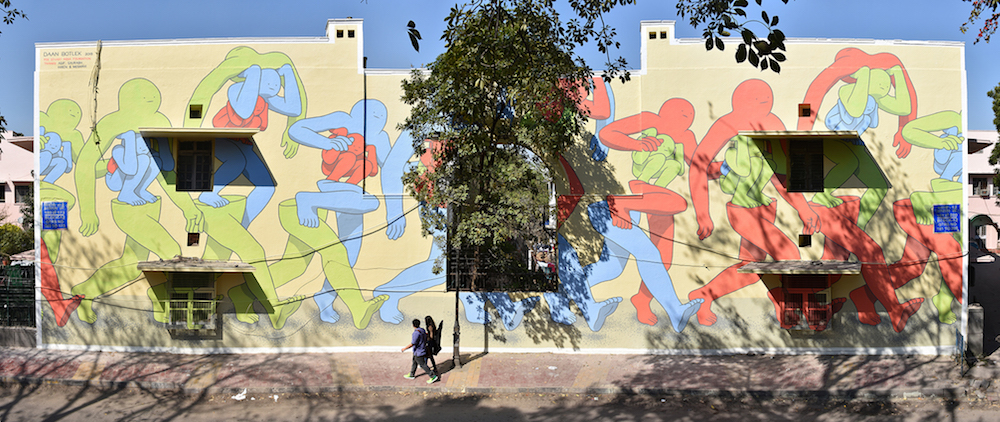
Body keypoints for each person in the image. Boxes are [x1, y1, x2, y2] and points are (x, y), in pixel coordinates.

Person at [402, 319, 439, 383]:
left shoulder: (416, 333)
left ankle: (432, 376)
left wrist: (404, 348)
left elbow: (413, 343)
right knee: (414, 362)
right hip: (419, 350)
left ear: (413, 325)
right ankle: (412, 374)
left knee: (422, 364)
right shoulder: (422, 330)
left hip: (419, 352)